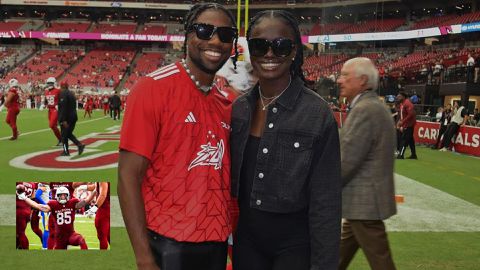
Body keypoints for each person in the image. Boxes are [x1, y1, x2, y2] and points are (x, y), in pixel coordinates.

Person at [118, 3, 238, 270]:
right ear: (187, 35)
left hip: (216, 242)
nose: (215, 41)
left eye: (226, 34)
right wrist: (144, 257)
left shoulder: (228, 102)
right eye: (205, 30)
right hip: (168, 243)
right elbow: (128, 177)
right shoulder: (152, 89)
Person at [231, 10, 341, 270]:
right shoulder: (239, 109)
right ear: (250, 51)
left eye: (281, 46)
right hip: (245, 243)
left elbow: (326, 203)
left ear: (294, 52)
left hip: (296, 246)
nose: (269, 54)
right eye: (259, 45)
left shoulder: (317, 113)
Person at [336, 57, 397, 270]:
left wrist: (322, 187)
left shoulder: (365, 109)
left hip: (364, 204)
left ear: (362, 80)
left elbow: (347, 159)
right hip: (361, 203)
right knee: (334, 258)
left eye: (345, 75)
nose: (339, 80)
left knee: (381, 262)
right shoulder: (372, 106)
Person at [18, 186, 96, 250]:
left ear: (68, 195)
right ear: (57, 196)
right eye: (60, 195)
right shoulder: (53, 205)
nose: (62, 197)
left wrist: (95, 191)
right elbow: (37, 206)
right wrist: (25, 198)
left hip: (71, 234)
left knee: (81, 240)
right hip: (60, 238)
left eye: (64, 195)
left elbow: (87, 200)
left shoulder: (72, 203)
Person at [58, 82, 85, 156]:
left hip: (67, 118)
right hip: (73, 117)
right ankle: (79, 145)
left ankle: (66, 151)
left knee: (64, 135)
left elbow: (63, 107)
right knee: (68, 134)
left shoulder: (63, 94)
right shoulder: (71, 94)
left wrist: (63, 120)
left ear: (62, 86)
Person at [85, 182, 110, 249]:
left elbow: (103, 195)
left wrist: (94, 208)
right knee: (109, 236)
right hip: (110, 208)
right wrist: (87, 200)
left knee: (102, 236)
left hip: (104, 209)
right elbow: (96, 189)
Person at [396, 92, 417, 159]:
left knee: (404, 140)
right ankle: (414, 155)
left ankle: (401, 155)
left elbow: (411, 114)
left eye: (399, 96)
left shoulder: (407, 103)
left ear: (403, 97)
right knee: (410, 140)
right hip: (407, 124)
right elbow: (403, 114)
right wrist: (400, 121)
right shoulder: (402, 104)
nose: (397, 98)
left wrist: (403, 122)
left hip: (409, 124)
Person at [16, 182, 36, 249]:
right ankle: (19, 247)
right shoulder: (32, 184)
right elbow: (33, 198)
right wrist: (31, 212)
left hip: (19, 209)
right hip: (27, 210)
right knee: (20, 232)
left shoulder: (19, 182)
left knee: (20, 233)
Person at [44, 77, 62, 145]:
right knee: (53, 126)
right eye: (48, 83)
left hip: (55, 109)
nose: (49, 84)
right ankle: (61, 139)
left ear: (54, 83)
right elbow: (46, 100)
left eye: (51, 83)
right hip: (50, 110)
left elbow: (62, 99)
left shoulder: (58, 90)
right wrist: (44, 104)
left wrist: (59, 105)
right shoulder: (46, 91)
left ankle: (61, 139)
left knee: (51, 125)